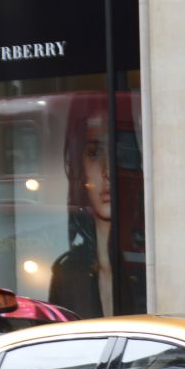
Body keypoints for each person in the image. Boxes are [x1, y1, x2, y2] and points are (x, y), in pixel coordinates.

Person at [48, 92, 143, 319]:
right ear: (79, 165)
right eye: (93, 153)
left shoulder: (143, 265)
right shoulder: (69, 273)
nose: (107, 172)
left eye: (118, 153)